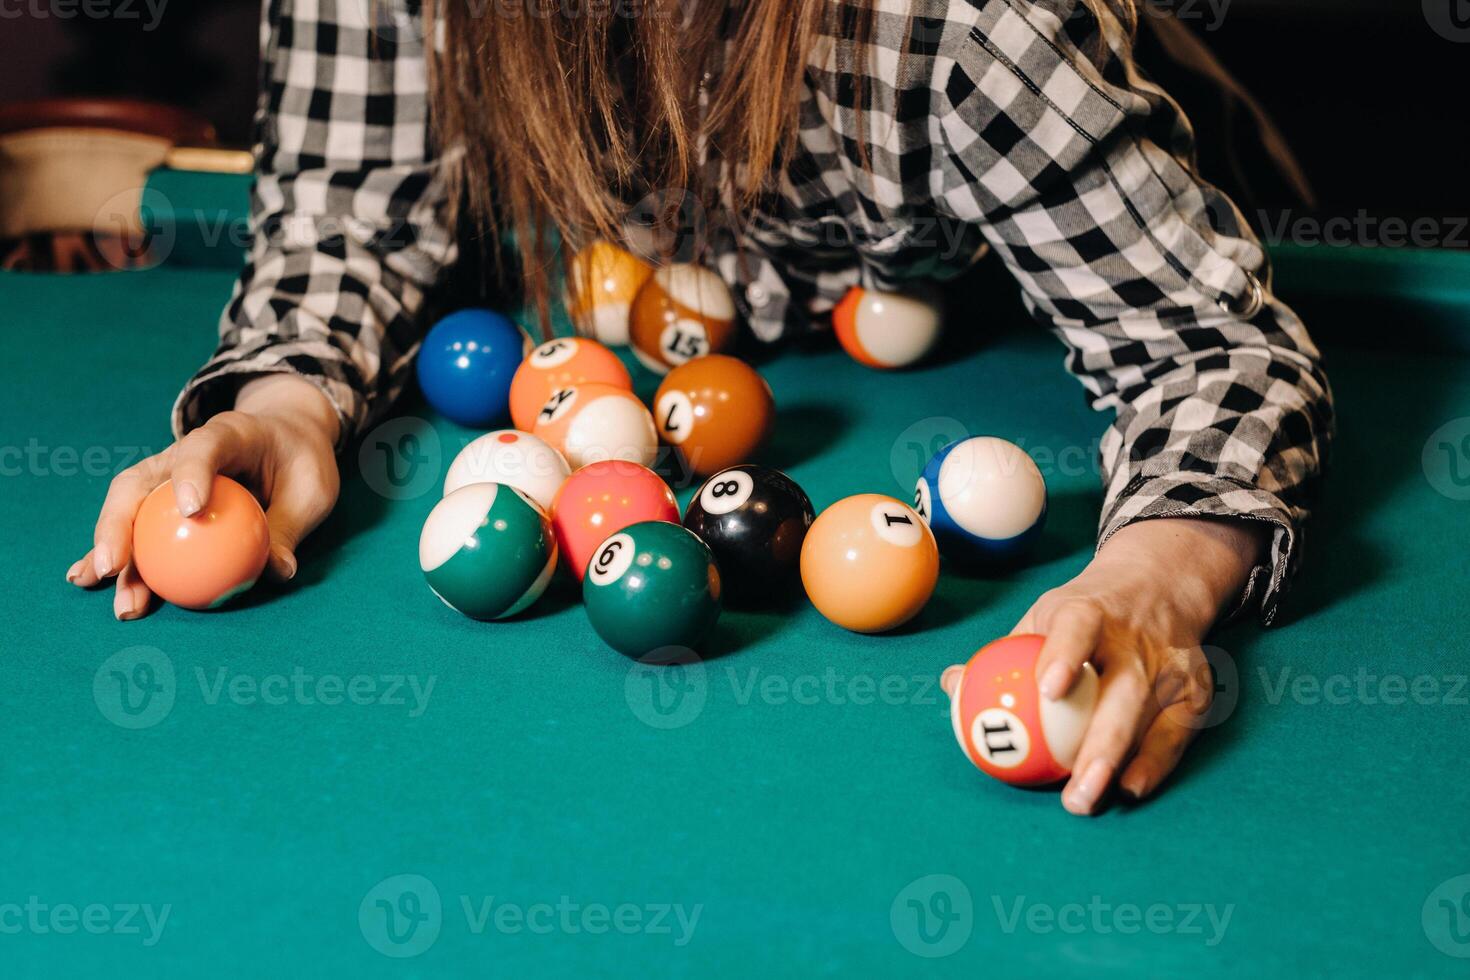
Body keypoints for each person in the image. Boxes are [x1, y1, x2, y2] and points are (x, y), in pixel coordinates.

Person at [66, 0, 1333, 815]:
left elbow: (1204, 347)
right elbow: (345, 219)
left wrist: (1161, 573)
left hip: (1053, 260)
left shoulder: (965, 23)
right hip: (665, 311)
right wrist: (290, 396)